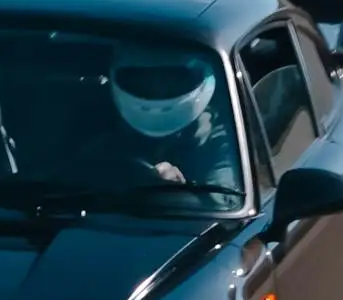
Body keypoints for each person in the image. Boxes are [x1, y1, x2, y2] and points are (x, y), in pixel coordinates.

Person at [101, 49, 242, 193]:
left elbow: (226, 198)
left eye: (170, 80)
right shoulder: (103, 131)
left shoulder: (222, 140)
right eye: (144, 81)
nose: (157, 89)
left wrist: (178, 190)